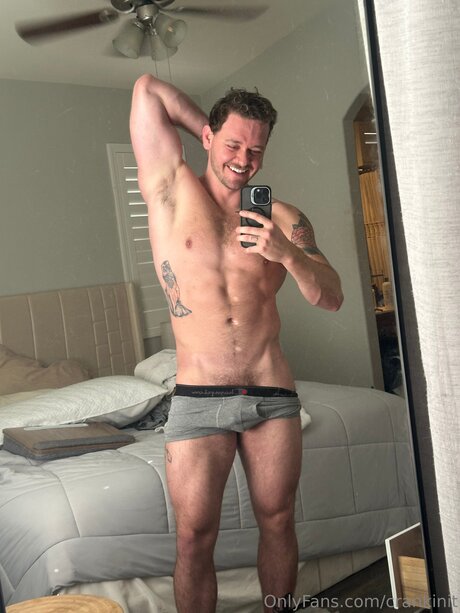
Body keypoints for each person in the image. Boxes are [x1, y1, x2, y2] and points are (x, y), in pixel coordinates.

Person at [130, 74, 343, 613]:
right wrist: (209, 126)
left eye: (255, 150)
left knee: (279, 521)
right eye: (232, 144)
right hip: (198, 395)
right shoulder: (170, 190)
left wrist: (286, 254)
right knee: (193, 538)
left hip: (272, 393)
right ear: (207, 136)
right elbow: (147, 89)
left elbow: (332, 297)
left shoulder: (283, 218)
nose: (243, 160)